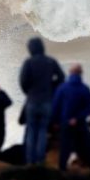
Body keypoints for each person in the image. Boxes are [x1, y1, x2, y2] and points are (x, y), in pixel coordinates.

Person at [19, 37, 65, 165]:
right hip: (46, 101)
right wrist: (52, 87)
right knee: (42, 131)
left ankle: (29, 161)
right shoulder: (50, 61)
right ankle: (40, 161)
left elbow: (23, 81)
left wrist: (29, 91)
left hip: (32, 101)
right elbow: (61, 78)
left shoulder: (28, 62)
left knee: (31, 131)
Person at [52, 64, 90, 171]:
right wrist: (77, 118)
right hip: (80, 123)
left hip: (65, 122)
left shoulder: (62, 88)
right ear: (81, 74)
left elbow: (56, 106)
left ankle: (62, 170)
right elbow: (89, 108)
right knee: (86, 146)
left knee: (65, 148)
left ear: (70, 73)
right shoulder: (85, 89)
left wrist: (55, 121)